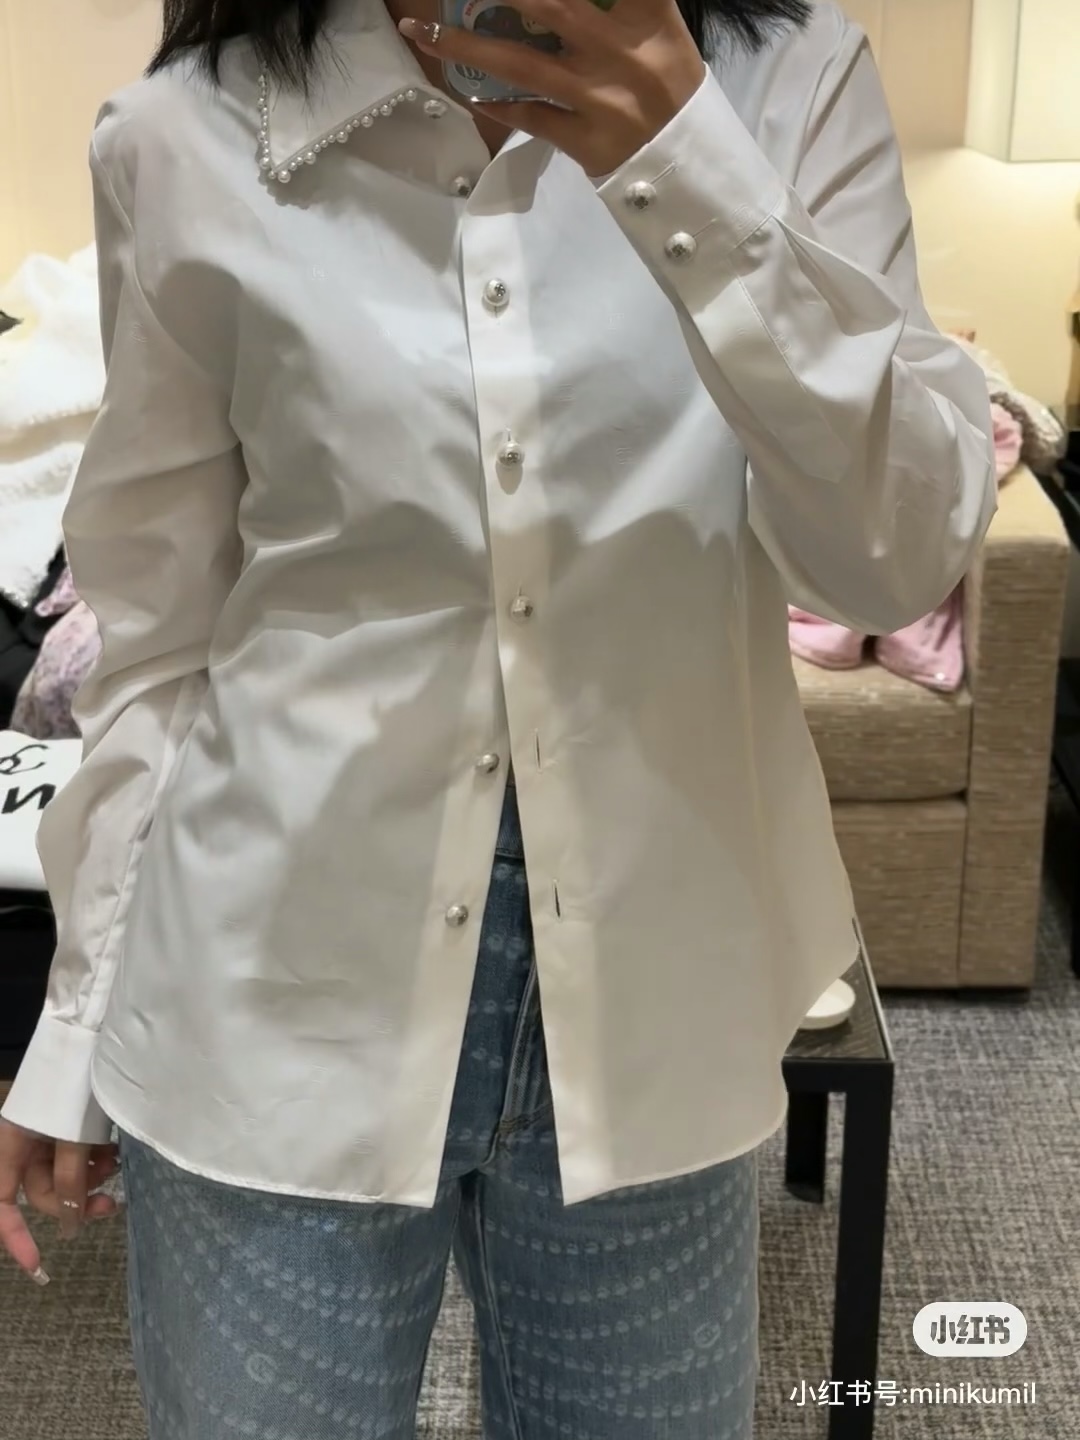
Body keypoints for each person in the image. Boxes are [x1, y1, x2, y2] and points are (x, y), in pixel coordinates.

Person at [0, 0, 996, 1434]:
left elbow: (890, 562)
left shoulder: (787, 79)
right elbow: (161, 643)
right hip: (267, 992)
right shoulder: (184, 135)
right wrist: (77, 1023)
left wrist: (688, 167)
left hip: (664, 988)